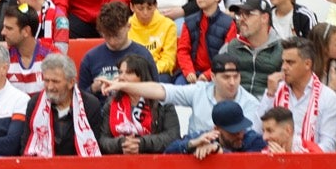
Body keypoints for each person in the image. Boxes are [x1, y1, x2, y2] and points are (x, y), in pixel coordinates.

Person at [110, 52, 262, 143]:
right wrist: (123, 86)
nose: (232, 82)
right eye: (226, 77)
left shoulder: (250, 103)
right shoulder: (199, 90)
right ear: (213, 77)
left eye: (236, 76)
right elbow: (161, 90)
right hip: (194, 152)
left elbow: (247, 141)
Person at [93, 52, 179, 154]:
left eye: (128, 73)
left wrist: (141, 143)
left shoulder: (162, 102)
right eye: (120, 72)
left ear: (142, 76)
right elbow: (102, 140)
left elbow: (173, 136)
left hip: (154, 160)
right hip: (120, 160)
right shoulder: (111, 102)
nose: (122, 77)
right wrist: (121, 144)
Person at [22, 53, 103, 157]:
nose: (50, 87)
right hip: (42, 166)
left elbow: (96, 148)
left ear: (71, 82)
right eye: (46, 80)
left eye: (55, 81)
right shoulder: (35, 104)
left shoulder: (90, 105)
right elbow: (26, 146)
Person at [267, 36, 336, 152]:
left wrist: (294, 156)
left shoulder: (328, 97)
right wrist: (270, 95)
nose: (283, 67)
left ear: (307, 64)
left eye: (290, 62)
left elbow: (328, 145)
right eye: (283, 62)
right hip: (274, 158)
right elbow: (258, 130)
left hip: (312, 161)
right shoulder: (276, 90)